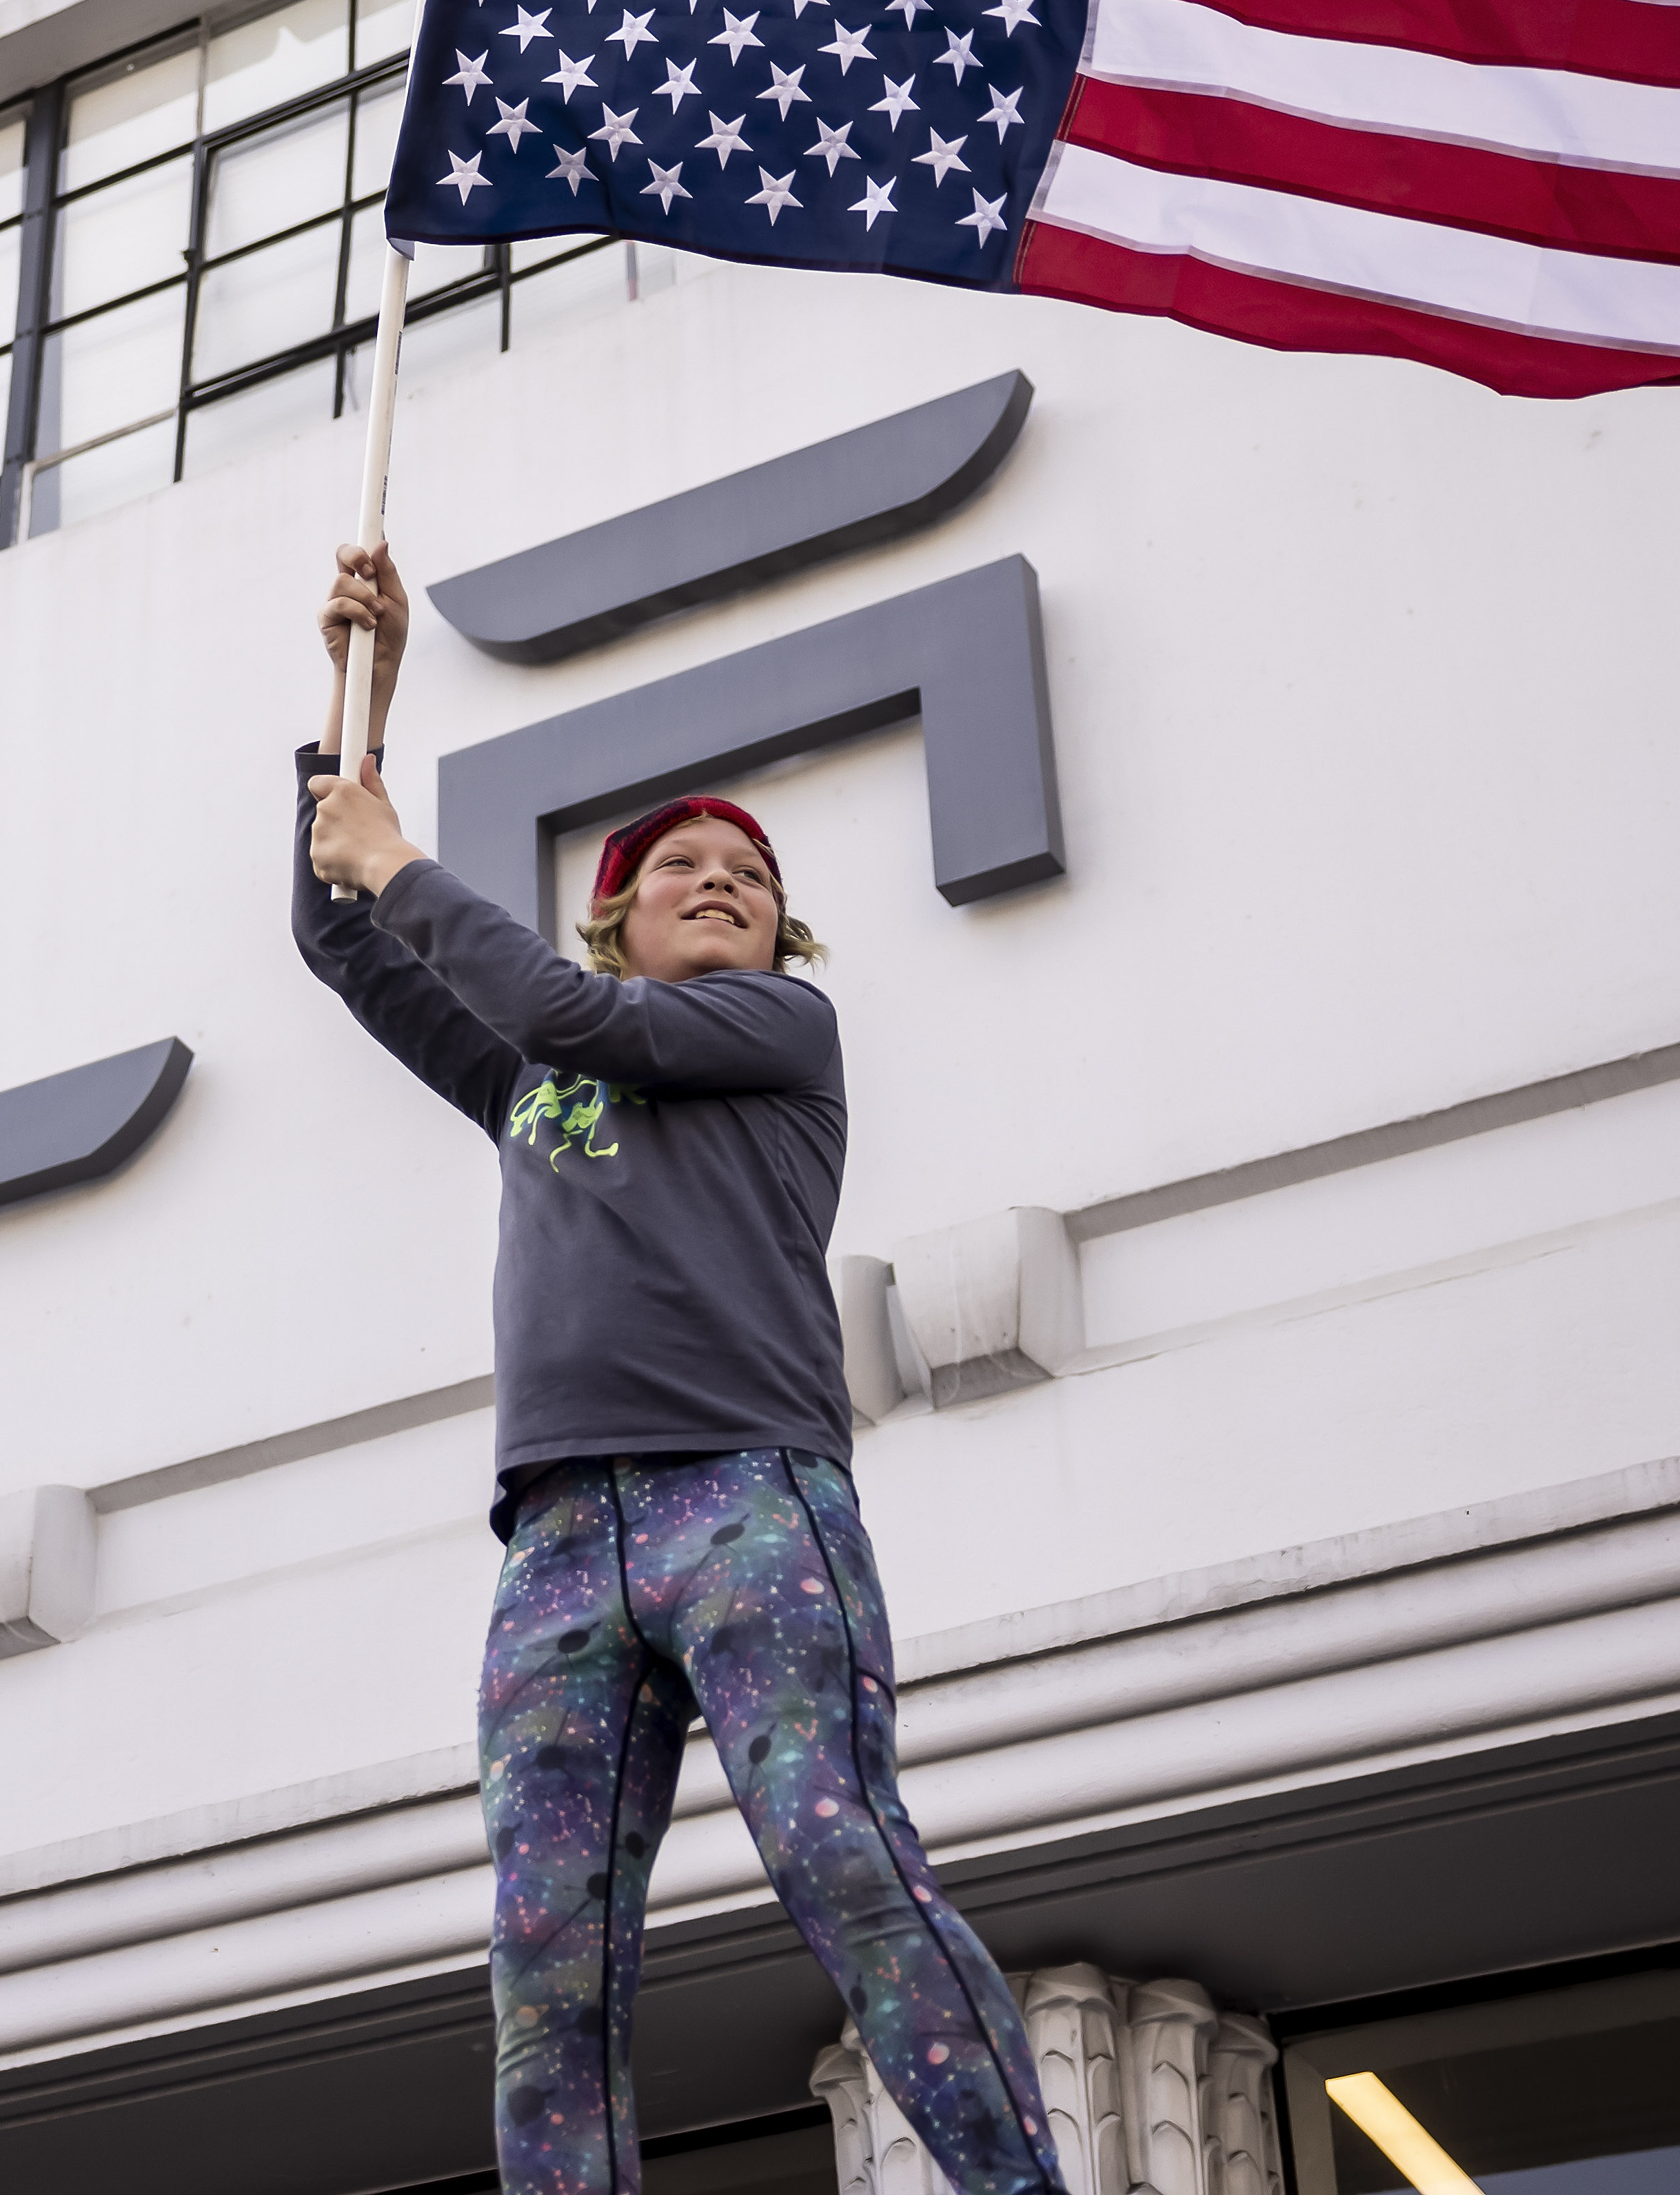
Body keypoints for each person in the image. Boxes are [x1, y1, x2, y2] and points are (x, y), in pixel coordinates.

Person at [293, 539, 1064, 2195]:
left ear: (782, 933)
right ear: (614, 913)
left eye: (751, 872)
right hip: (558, 1540)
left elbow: (580, 1018)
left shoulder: (777, 1037)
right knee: (544, 1970)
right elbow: (346, 945)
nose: (720, 880)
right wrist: (352, 719)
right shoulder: (530, 1076)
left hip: (748, 1498)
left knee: (840, 1859)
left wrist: (408, 861)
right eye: (678, 866)